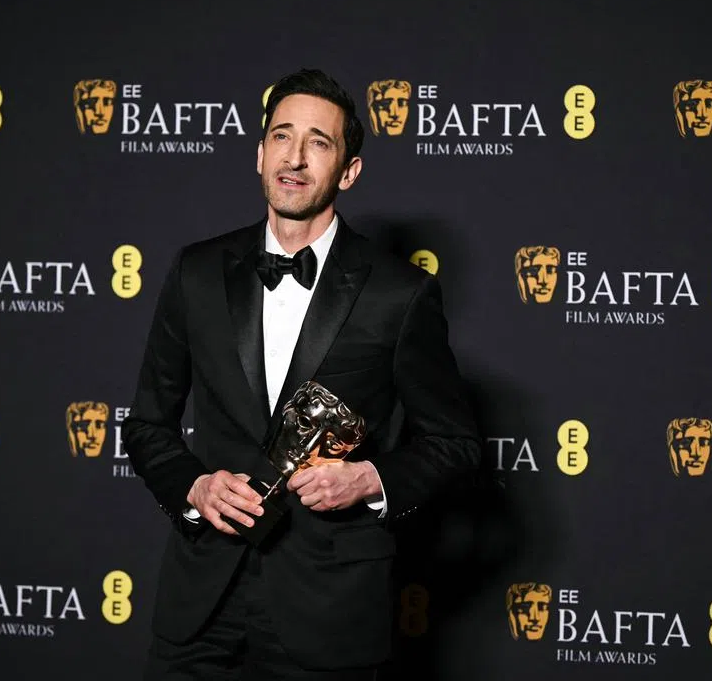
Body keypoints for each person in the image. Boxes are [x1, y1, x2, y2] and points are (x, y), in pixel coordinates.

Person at [122, 68, 481, 678]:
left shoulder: (401, 292)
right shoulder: (197, 271)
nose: (295, 156)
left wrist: (369, 479)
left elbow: (456, 445)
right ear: (259, 155)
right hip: (200, 606)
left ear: (349, 171)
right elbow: (148, 426)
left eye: (319, 141)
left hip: (330, 612)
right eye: (282, 137)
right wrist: (195, 488)